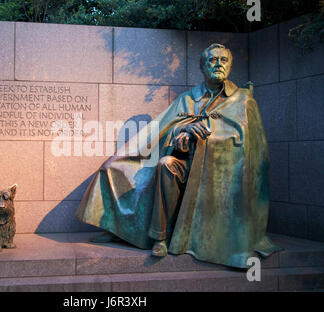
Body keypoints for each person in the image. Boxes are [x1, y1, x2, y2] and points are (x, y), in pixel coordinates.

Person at [75, 43, 282, 268]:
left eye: (224, 60)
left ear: (230, 66)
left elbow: (252, 149)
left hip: (219, 171)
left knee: (168, 165)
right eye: (213, 60)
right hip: (185, 162)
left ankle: (158, 234)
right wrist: (183, 131)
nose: (219, 64)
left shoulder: (243, 100)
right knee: (131, 166)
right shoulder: (187, 99)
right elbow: (162, 132)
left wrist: (209, 138)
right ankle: (150, 235)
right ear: (202, 67)